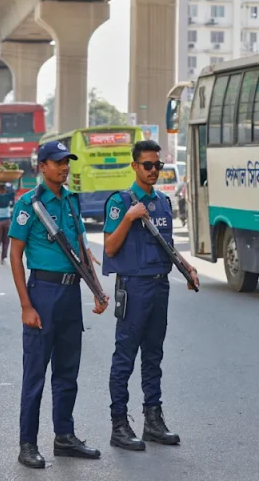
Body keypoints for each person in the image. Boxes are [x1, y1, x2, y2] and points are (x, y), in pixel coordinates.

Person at [8, 140, 107, 469]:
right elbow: (15, 254)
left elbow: (79, 246)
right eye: (58, 162)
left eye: (67, 161)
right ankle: (28, 444)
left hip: (69, 296)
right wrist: (26, 305)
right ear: (42, 166)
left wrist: (95, 288)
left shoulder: (71, 202)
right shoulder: (29, 204)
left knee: (67, 372)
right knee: (35, 374)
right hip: (43, 293)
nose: (65, 167)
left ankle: (64, 437)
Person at [102, 140, 200, 451]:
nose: (153, 170)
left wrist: (188, 268)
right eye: (148, 165)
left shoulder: (163, 203)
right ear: (134, 166)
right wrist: (129, 218)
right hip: (134, 287)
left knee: (153, 356)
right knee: (125, 358)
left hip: (160, 285)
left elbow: (167, 246)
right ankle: (119, 424)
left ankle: (153, 421)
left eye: (157, 165)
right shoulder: (120, 202)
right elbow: (109, 247)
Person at [0, 181, 15, 264]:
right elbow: (16, 190)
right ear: (4, 189)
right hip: (7, 221)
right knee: (6, 241)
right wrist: (18, 179)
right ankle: (3, 258)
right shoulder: (8, 196)